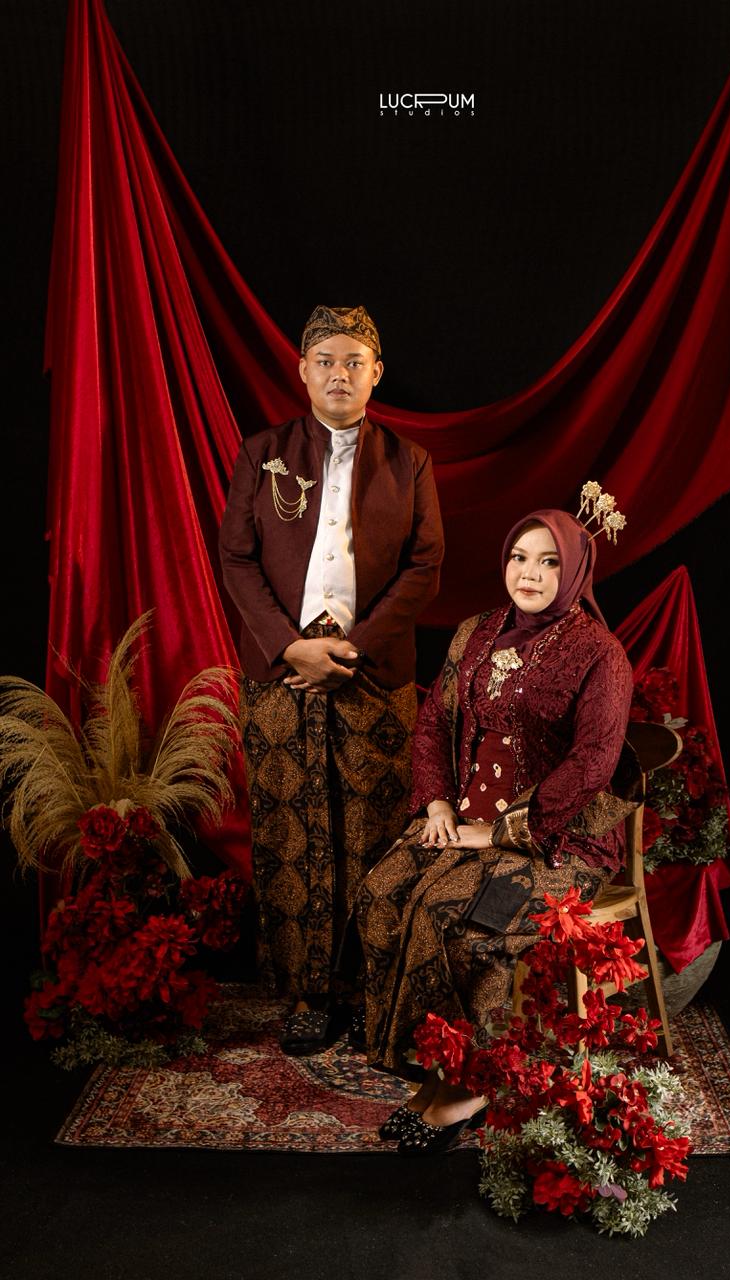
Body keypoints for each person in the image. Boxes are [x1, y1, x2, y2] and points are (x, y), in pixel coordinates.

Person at [355, 507, 639, 1152]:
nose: (529, 574)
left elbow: (594, 762)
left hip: (560, 842)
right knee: (382, 892)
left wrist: (503, 832)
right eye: (519, 557)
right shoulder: (475, 634)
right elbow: (434, 722)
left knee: (457, 919)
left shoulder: (600, 654)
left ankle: (472, 1085)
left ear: (575, 572)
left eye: (549, 562)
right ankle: (428, 1065)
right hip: (462, 822)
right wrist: (436, 805)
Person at [219, 304, 444, 1052]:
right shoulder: (263, 451)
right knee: (290, 830)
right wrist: (291, 647)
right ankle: (306, 994)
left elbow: (425, 566)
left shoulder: (409, 463)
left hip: (373, 676)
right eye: (325, 361)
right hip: (280, 675)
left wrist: (354, 648)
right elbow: (237, 558)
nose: (339, 374)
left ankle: (372, 987)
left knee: (375, 830)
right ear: (302, 371)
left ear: (376, 374)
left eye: (354, 362)